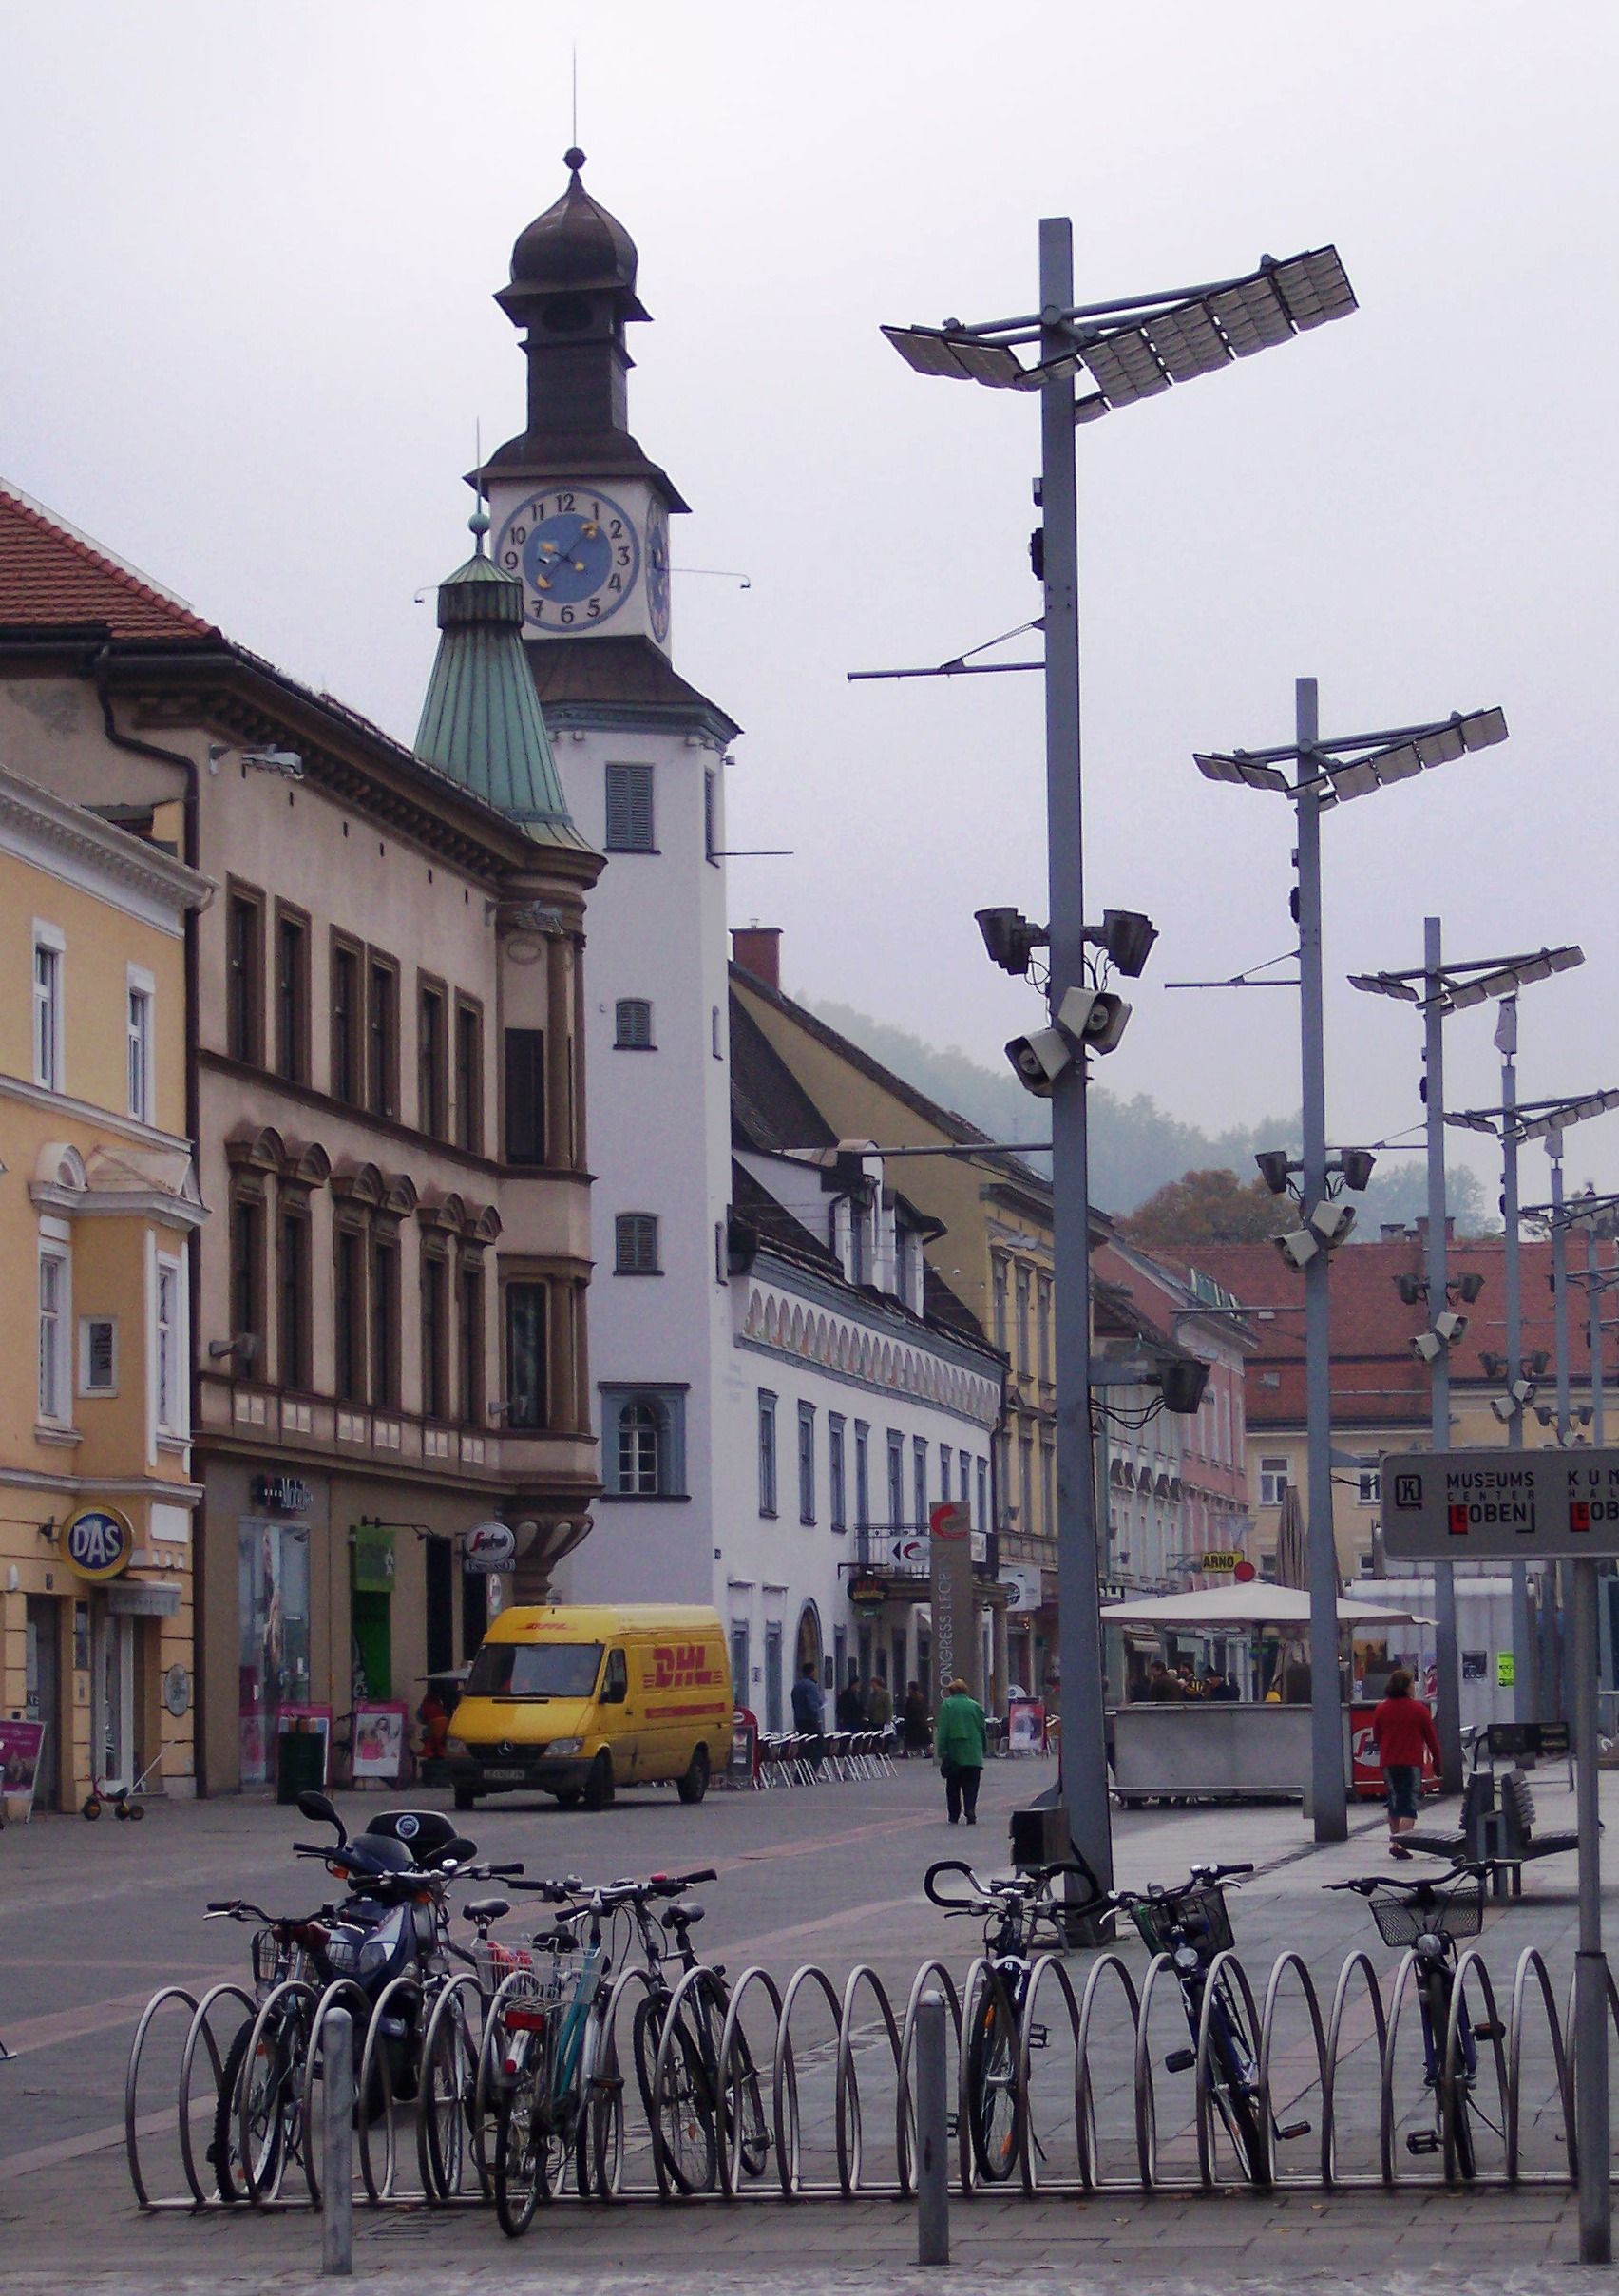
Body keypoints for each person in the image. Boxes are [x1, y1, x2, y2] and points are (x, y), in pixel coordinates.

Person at [1370, 1668, 1441, 1858]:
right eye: (1412, 1684)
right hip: (1411, 1763)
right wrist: (1437, 1763)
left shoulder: (1381, 1708)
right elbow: (1432, 1739)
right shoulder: (1419, 1710)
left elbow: (1376, 1736)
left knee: (1394, 1802)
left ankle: (1395, 1840)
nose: (1413, 1688)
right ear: (1406, 1687)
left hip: (1388, 1763)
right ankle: (1401, 1844)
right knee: (1409, 1804)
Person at [934, 1675, 987, 1826]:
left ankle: (954, 1814)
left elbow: (943, 1729)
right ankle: (970, 1810)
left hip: (954, 1752)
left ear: (951, 1691)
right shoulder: (975, 1706)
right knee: (972, 1784)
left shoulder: (947, 1705)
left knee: (953, 1785)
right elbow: (982, 1728)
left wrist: (942, 1750)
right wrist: (983, 1747)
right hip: (973, 1751)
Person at [790, 1661, 827, 1770]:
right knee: (819, 1745)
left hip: (799, 1720)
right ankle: (811, 1770)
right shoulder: (810, 1686)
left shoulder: (797, 1686)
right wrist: (818, 1717)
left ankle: (801, 1772)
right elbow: (813, 1704)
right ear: (812, 1672)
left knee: (804, 1747)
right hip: (810, 1720)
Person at [902, 1680, 930, 1756]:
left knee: (912, 1739)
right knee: (921, 1740)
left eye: (909, 1688)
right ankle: (923, 1751)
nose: (908, 1690)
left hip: (913, 1723)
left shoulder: (911, 1699)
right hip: (920, 1722)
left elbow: (909, 1711)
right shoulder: (920, 1698)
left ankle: (911, 1752)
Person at [835, 1666, 867, 1732]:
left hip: (855, 1719)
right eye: (857, 1684)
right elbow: (843, 1706)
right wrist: (841, 1717)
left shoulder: (856, 1694)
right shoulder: (846, 1694)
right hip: (850, 1719)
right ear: (854, 1684)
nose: (859, 1685)